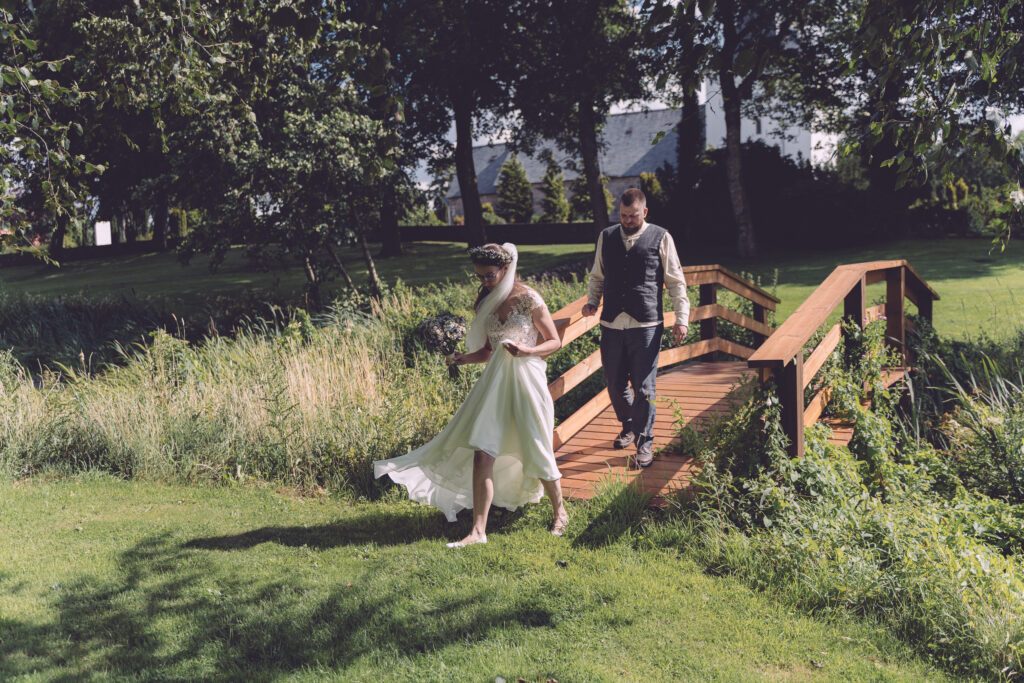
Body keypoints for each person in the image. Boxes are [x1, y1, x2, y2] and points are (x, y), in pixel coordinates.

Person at [374, 242, 568, 547]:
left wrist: (528, 349)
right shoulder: (486, 302)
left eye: (490, 275)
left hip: (527, 380)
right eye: (480, 277)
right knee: (483, 451)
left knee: (536, 447)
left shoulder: (528, 298)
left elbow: (554, 341)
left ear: (505, 269)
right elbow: (490, 351)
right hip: (494, 385)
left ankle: (560, 511)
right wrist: (462, 359)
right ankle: (478, 531)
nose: (485, 282)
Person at [581, 188, 690, 468]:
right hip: (611, 323)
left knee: (644, 387)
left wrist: (682, 318)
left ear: (645, 212)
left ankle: (645, 441)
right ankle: (628, 424)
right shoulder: (606, 236)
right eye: (623, 215)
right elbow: (597, 275)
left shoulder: (662, 237)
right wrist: (592, 301)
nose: (628, 220)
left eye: (633, 216)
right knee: (615, 384)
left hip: (647, 325)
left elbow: (676, 281)